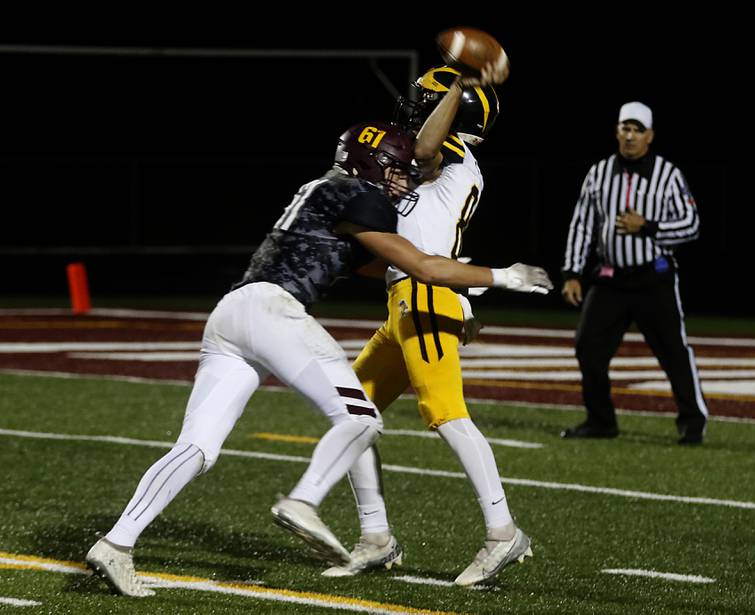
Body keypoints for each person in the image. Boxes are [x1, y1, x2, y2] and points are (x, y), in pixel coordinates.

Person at [84, 119, 552, 597]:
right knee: (362, 416)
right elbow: (421, 265)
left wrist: (463, 290)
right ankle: (304, 501)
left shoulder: (325, 191)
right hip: (273, 311)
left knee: (197, 448)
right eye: (395, 169)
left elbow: (386, 264)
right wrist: (505, 276)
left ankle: (117, 544)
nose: (404, 179)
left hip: (230, 314)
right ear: (370, 164)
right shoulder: (359, 195)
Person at [321, 63, 540, 587]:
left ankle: (502, 532)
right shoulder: (436, 161)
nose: (413, 107)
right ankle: (375, 537)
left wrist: (461, 85)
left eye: (427, 101)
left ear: (453, 112)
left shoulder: (451, 153)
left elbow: (422, 152)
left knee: (449, 417)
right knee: (351, 414)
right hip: (406, 300)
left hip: (425, 295)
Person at [560, 101, 708, 445]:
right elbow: (581, 224)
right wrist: (572, 271)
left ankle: (692, 422)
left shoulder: (668, 174)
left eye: (637, 130)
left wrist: (649, 227)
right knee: (588, 347)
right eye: (625, 128)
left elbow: (691, 225)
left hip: (653, 278)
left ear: (650, 136)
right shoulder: (598, 173)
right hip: (611, 279)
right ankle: (601, 420)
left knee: (673, 352)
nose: (630, 136)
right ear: (616, 132)